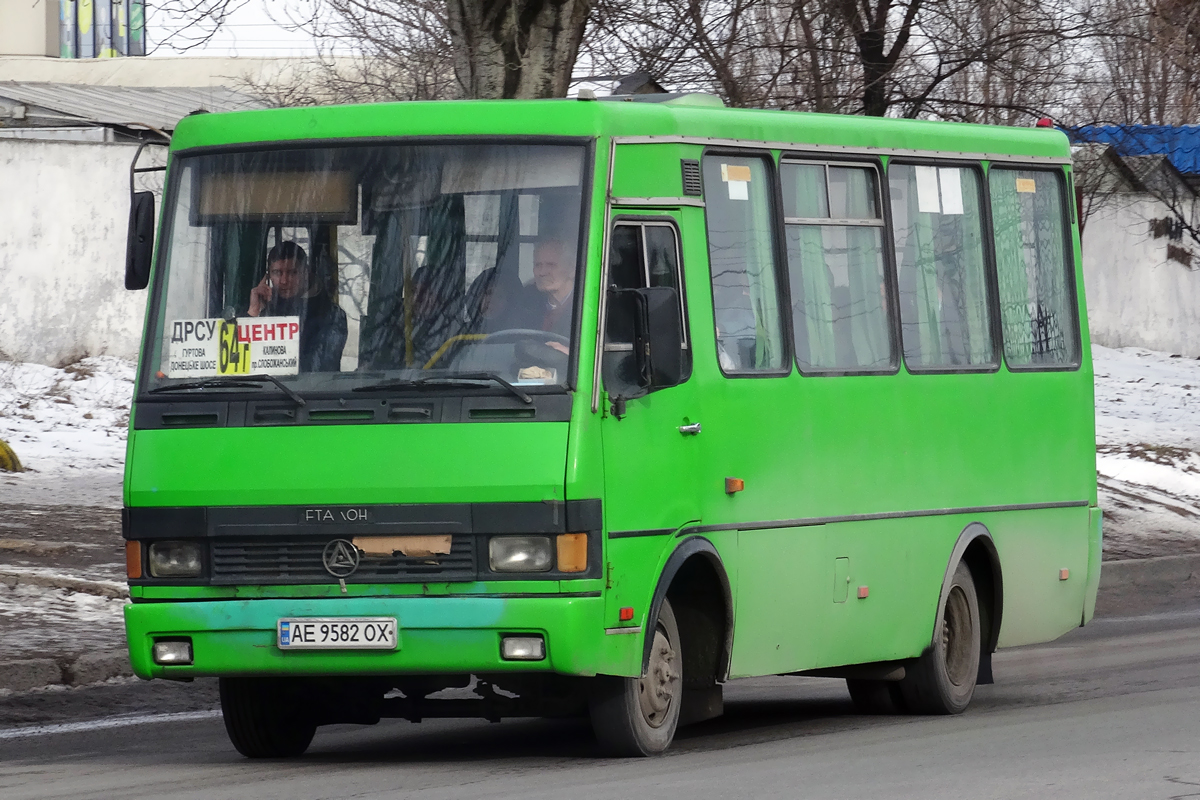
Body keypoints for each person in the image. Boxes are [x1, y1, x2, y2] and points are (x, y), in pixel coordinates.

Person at [247, 241, 347, 372]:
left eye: (292, 272)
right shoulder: (264, 312)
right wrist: (253, 313)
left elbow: (319, 366)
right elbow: (240, 359)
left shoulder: (331, 315)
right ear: (268, 276)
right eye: (277, 272)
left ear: (305, 273)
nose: (284, 280)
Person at [527, 239, 575, 353]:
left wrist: (571, 354)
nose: (542, 272)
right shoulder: (527, 302)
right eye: (538, 265)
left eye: (551, 265)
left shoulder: (589, 306)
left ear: (572, 269)